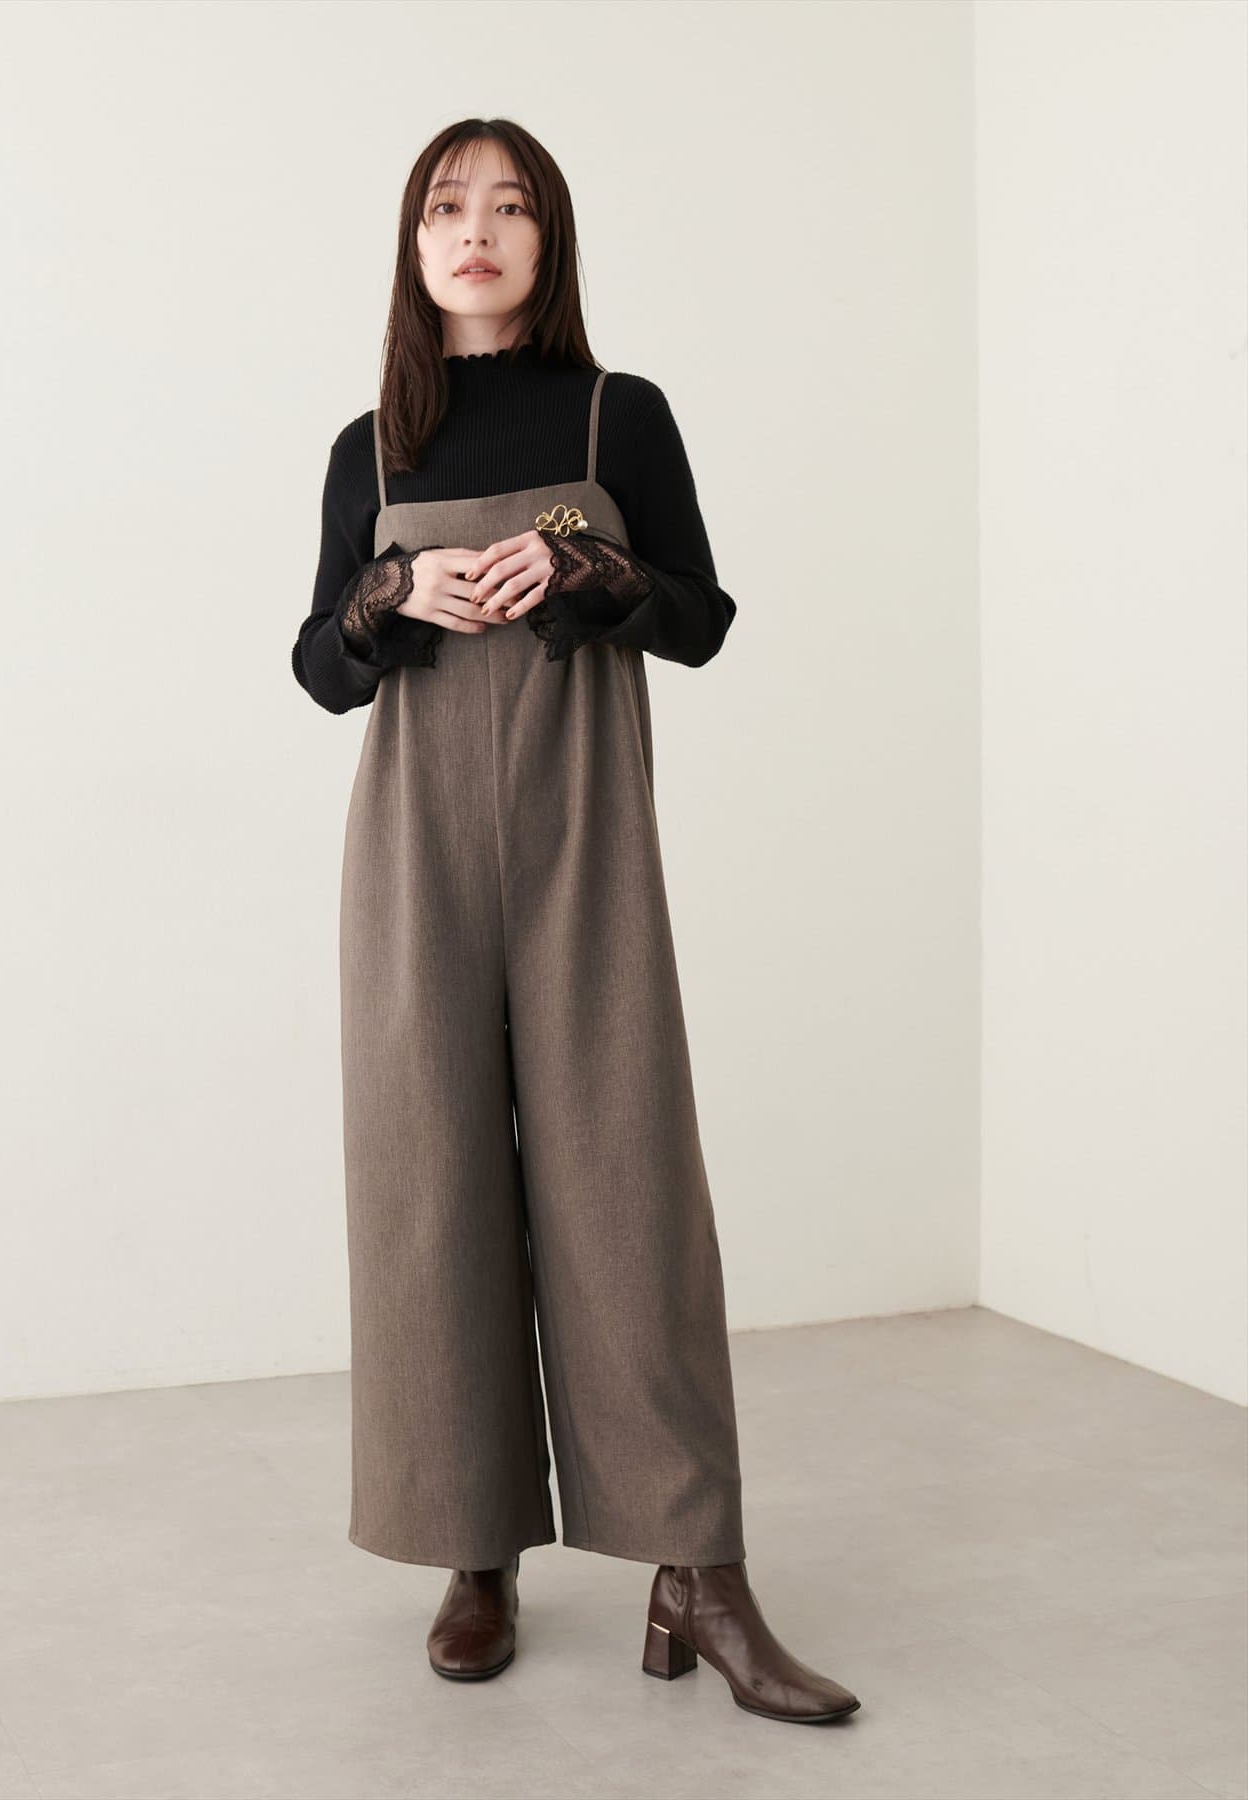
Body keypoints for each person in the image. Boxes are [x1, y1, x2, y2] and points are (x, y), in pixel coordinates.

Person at [291, 118, 859, 1726]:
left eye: (510, 205)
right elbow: (318, 669)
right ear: (414, 246)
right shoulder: (371, 449)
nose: (475, 228)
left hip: (585, 830)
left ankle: (701, 1571)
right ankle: (474, 1549)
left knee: (627, 1181)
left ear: (549, 241)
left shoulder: (621, 412)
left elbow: (702, 619)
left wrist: (592, 576)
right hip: (414, 846)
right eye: (446, 205)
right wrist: (391, 600)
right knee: (432, 1185)